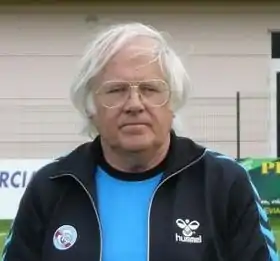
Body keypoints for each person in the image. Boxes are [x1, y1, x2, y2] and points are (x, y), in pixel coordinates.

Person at [1, 22, 278, 261]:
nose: (134, 104)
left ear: (173, 102)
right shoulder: (51, 187)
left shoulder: (224, 183)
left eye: (150, 89)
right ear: (90, 107)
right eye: (116, 90)